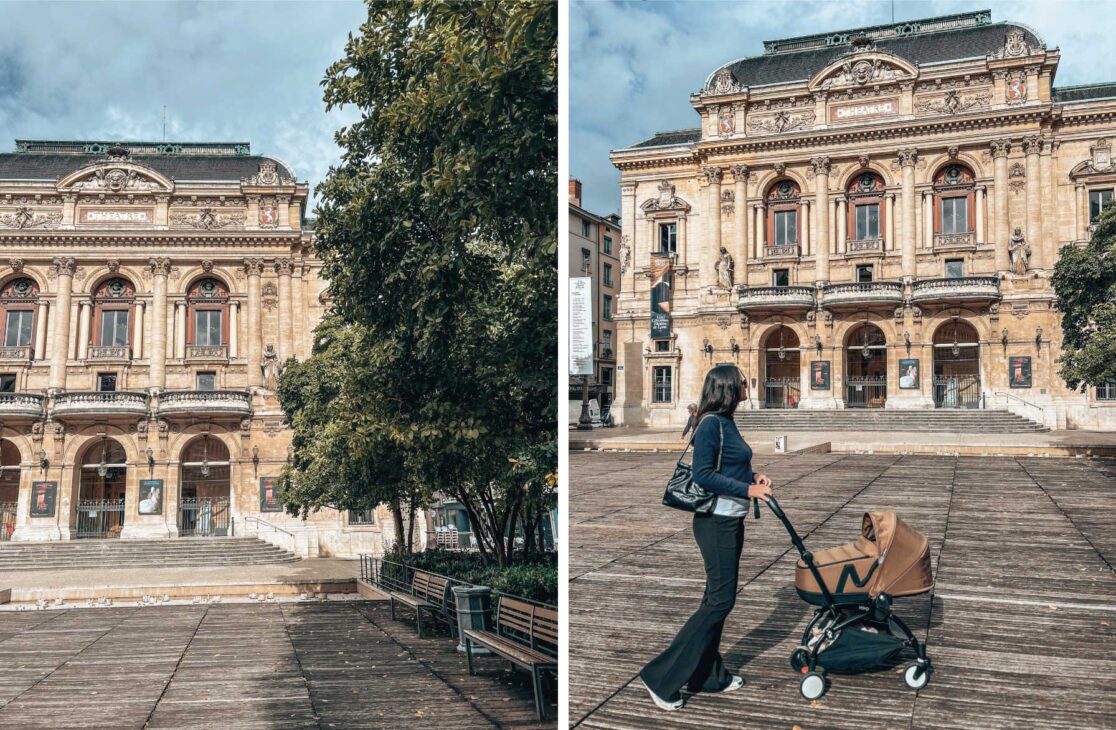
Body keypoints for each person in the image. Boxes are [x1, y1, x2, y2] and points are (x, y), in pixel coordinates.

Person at [641, 364, 773, 711]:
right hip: (715, 523)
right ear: (728, 387)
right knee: (719, 602)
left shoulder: (727, 422)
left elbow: (729, 465)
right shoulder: (711, 423)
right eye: (743, 381)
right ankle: (661, 677)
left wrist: (754, 476)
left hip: (729, 520)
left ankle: (708, 676)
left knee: (715, 600)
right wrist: (747, 489)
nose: (748, 384)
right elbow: (702, 475)